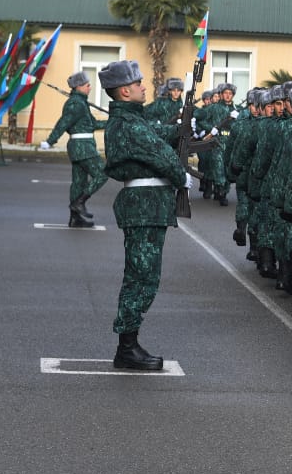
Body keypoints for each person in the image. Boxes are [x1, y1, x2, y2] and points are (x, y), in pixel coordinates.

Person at [99, 59, 186, 371]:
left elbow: (158, 134)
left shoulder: (133, 120)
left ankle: (129, 343)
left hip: (147, 207)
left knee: (142, 275)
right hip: (144, 207)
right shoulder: (129, 125)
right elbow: (162, 155)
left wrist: (182, 129)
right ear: (125, 91)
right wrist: (181, 177)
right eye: (138, 84)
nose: (143, 87)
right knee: (142, 277)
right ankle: (127, 347)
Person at [41, 71, 108, 227]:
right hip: (83, 147)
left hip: (80, 147)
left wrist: (113, 121)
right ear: (78, 87)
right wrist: (50, 141)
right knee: (103, 173)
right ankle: (80, 202)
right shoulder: (76, 104)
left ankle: (75, 218)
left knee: (79, 182)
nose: (90, 87)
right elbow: (63, 122)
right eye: (87, 85)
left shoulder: (81, 103)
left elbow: (93, 124)